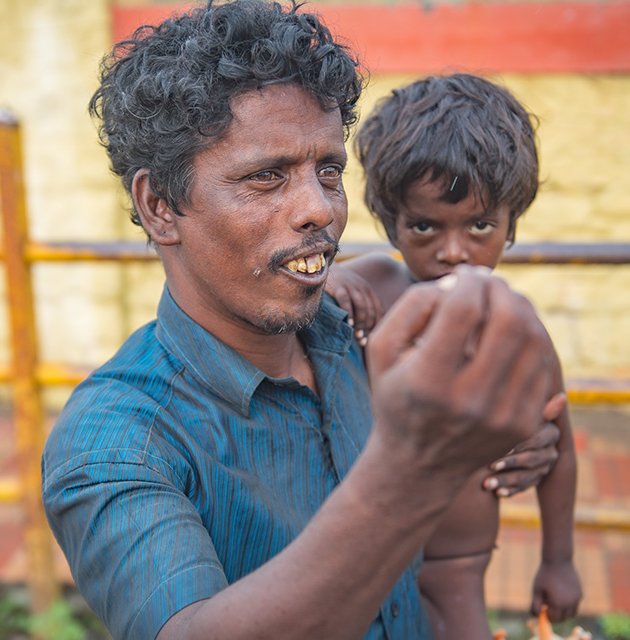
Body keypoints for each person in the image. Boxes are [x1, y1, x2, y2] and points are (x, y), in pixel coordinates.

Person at [42, 4, 565, 639]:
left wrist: (503, 440)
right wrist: (413, 469)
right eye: (266, 177)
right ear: (159, 206)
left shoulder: (362, 330)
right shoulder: (115, 442)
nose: (320, 209)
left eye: (328, 171)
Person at [324, 73, 582, 638]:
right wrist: (330, 290)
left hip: (456, 561)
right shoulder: (370, 284)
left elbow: (557, 447)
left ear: (512, 224)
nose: (453, 251)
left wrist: (558, 560)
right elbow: (309, 295)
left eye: (480, 226)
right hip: (360, 545)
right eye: (424, 226)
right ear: (391, 223)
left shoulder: (518, 329)